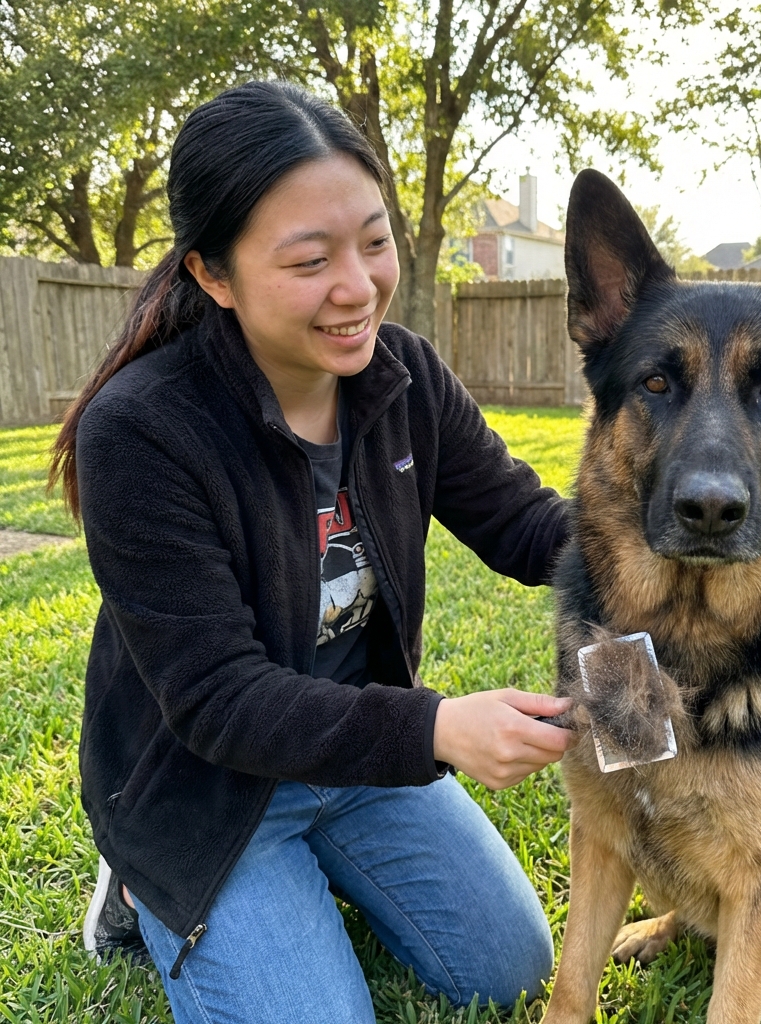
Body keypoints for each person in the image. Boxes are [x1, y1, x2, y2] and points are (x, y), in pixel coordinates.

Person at [52, 80, 576, 1024]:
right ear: (214, 275)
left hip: (353, 753)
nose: (357, 286)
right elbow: (218, 700)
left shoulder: (404, 376)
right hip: (206, 782)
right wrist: (437, 729)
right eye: (310, 260)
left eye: (374, 242)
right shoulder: (143, 432)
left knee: (513, 969)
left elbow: (527, 526)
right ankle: (139, 882)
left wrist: (677, 539)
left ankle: (319, 870)